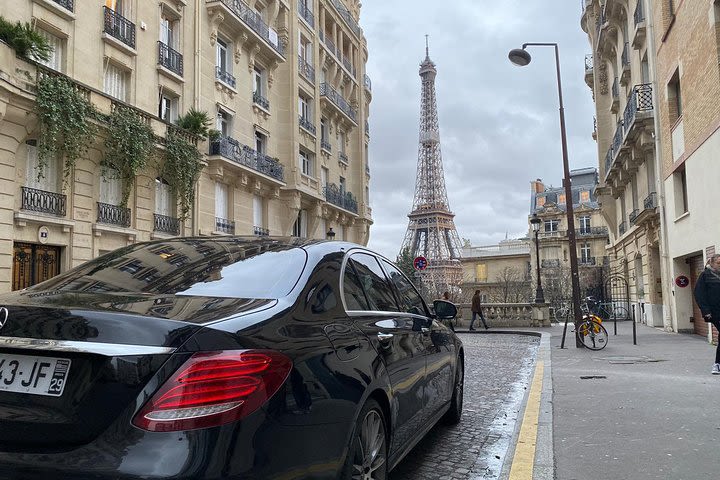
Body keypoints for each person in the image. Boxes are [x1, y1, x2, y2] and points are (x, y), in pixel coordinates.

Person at [694, 254, 720, 374]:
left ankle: (717, 363)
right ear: (713, 263)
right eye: (719, 263)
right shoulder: (705, 275)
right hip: (715, 312)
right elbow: (699, 294)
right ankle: (717, 364)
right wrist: (706, 311)